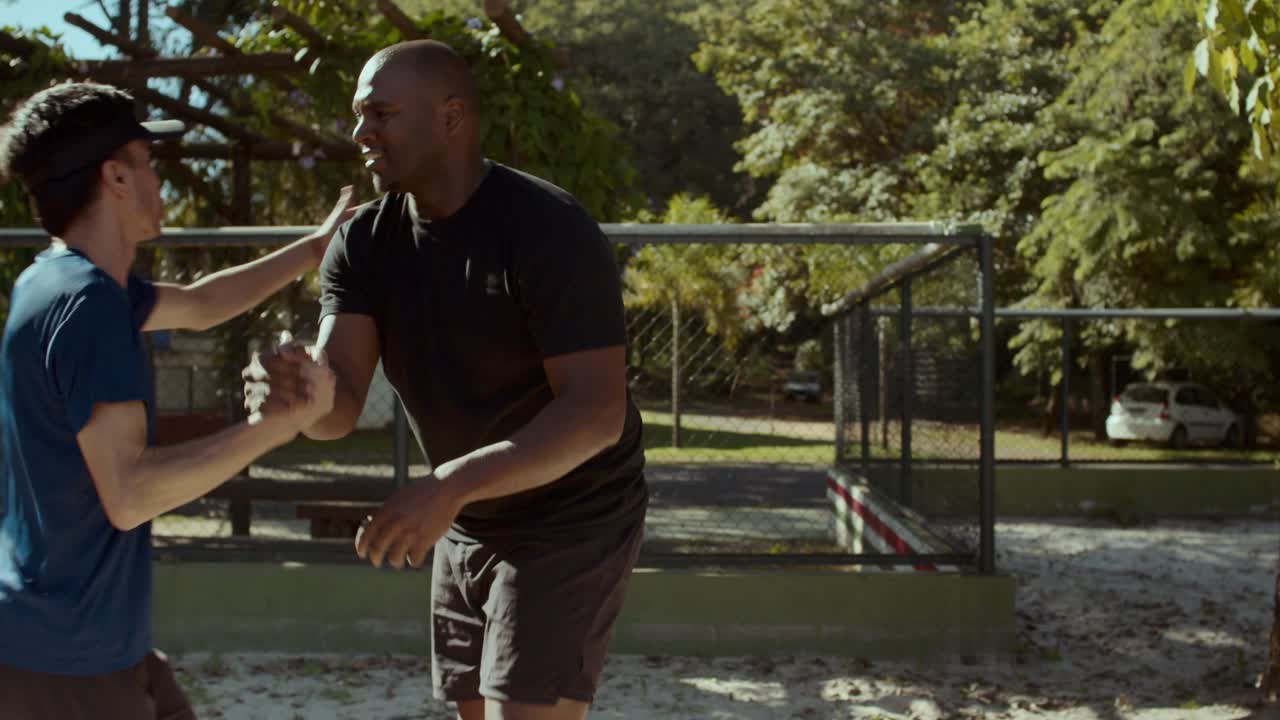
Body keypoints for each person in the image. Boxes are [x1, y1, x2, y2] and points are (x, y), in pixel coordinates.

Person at [243, 40, 648, 719]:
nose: (359, 133)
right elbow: (338, 400)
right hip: (465, 517)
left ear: (451, 117)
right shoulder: (363, 242)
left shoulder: (548, 228)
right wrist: (300, 398)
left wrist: (449, 485)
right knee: (473, 712)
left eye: (381, 113)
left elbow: (596, 413)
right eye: (357, 114)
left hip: (573, 515)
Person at [0, 81, 342, 719]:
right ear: (117, 178)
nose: (160, 182)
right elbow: (130, 494)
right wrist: (278, 425)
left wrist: (315, 249)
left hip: (70, 639)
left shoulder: (53, 281)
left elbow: (205, 304)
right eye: (150, 165)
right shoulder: (89, 306)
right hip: (67, 665)